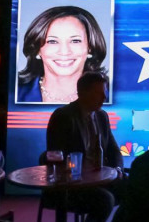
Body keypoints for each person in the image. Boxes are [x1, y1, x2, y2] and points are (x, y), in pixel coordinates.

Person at [44, 71, 121, 222]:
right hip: (72, 186)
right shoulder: (63, 116)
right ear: (83, 93)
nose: (104, 97)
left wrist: (117, 170)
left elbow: (113, 149)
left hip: (100, 180)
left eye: (104, 92)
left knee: (133, 190)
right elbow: (57, 155)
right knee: (105, 201)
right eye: (99, 93)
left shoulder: (102, 116)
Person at [17, 5, 108, 104]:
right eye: (52, 41)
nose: (64, 52)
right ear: (37, 49)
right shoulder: (15, 92)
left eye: (75, 41)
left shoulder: (112, 93)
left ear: (90, 47)